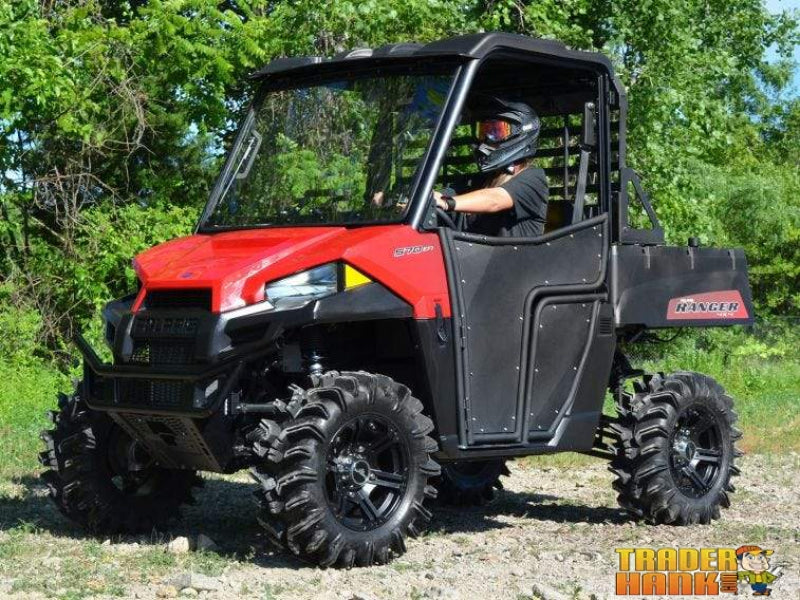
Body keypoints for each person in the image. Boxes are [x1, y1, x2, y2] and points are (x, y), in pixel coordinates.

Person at [434, 97, 548, 237]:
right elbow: (441, 195)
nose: (486, 139)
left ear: (520, 133)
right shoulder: (476, 182)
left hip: (514, 258)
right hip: (469, 257)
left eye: (496, 131)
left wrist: (447, 203)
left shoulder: (534, 178)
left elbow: (495, 200)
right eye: (483, 132)